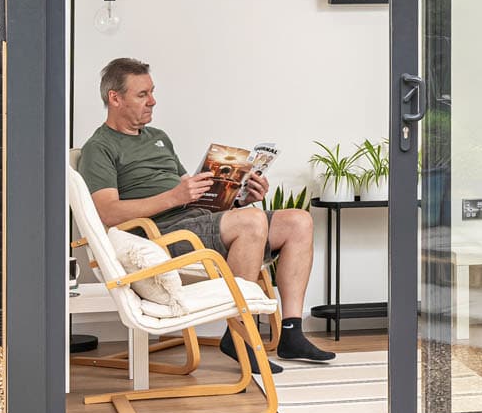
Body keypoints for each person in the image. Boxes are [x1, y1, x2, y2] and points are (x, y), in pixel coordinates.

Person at [78, 56, 333, 368]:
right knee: (252, 224)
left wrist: (240, 197)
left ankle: (292, 335)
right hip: (159, 235)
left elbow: (197, 199)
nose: (152, 101)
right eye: (142, 94)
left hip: (194, 220)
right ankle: (239, 333)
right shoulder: (99, 148)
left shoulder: (159, 138)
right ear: (114, 98)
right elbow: (107, 213)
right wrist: (174, 196)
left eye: (152, 92)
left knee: (298, 221)